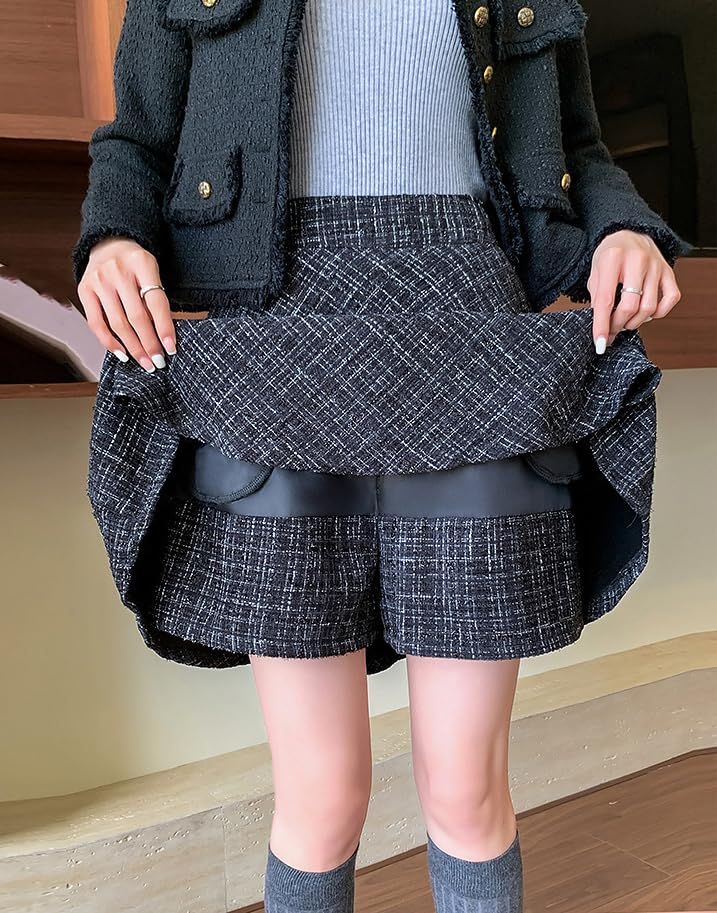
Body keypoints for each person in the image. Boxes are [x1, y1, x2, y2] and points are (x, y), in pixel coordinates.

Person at [73, 1, 690, 911]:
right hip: (273, 353)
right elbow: (136, 141)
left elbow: (578, 149)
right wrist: (115, 236)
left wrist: (622, 229)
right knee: (320, 797)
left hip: (478, 350)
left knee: (466, 791)